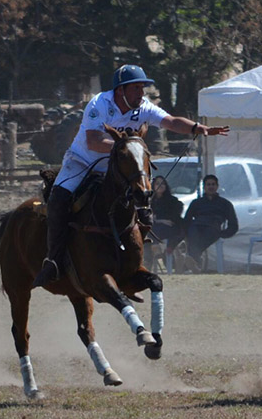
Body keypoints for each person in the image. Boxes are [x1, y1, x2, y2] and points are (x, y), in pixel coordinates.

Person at [33, 64, 230, 287]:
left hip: (115, 168)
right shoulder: (99, 104)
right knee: (59, 198)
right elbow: (93, 141)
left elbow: (171, 121)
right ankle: (54, 261)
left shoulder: (143, 107)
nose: (141, 93)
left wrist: (197, 128)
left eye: (142, 87)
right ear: (120, 91)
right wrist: (125, 148)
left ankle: (133, 258)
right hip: (82, 162)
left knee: (141, 202)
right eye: (136, 88)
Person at [183, 174, 238, 270]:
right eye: (208, 184)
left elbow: (233, 223)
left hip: (213, 227)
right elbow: (187, 219)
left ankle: (193, 259)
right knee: (192, 232)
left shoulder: (225, 204)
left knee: (209, 232)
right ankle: (196, 260)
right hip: (197, 225)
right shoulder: (196, 203)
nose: (211, 187)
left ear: (217, 186)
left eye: (213, 184)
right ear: (204, 187)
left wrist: (223, 233)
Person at [149, 176, 184, 253]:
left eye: (163, 183)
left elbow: (172, 218)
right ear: (153, 186)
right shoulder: (149, 201)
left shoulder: (173, 201)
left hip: (169, 228)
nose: (160, 185)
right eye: (157, 183)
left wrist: (158, 220)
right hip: (154, 226)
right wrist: (160, 220)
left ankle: (161, 251)